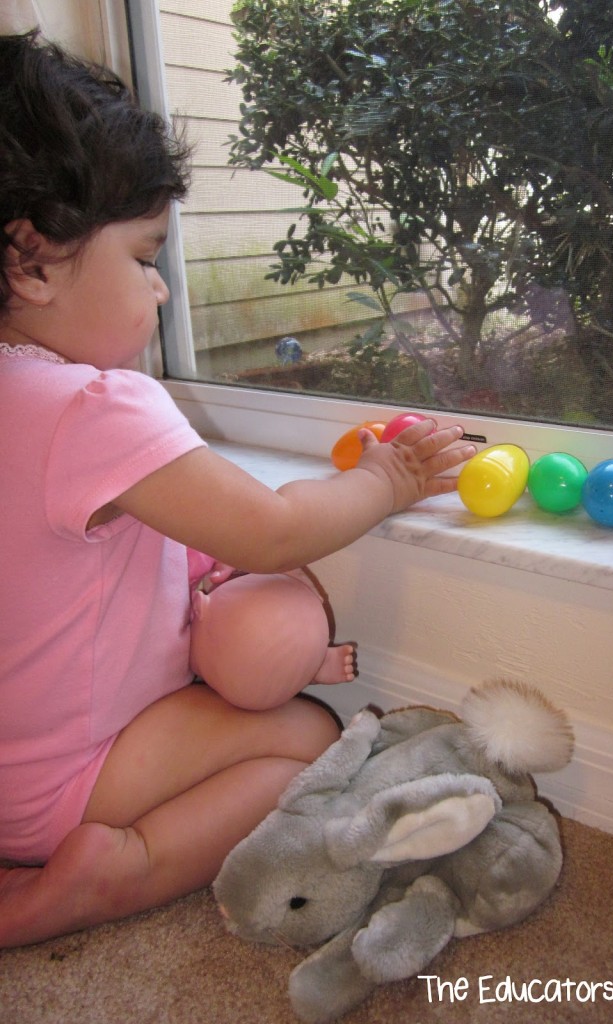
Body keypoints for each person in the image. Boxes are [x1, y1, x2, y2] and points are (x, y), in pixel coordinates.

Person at [0, 32, 475, 948]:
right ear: (33, 261)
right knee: (301, 737)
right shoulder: (94, 408)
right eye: (144, 258)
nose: (162, 294)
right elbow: (267, 531)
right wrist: (389, 475)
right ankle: (117, 869)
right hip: (68, 785)